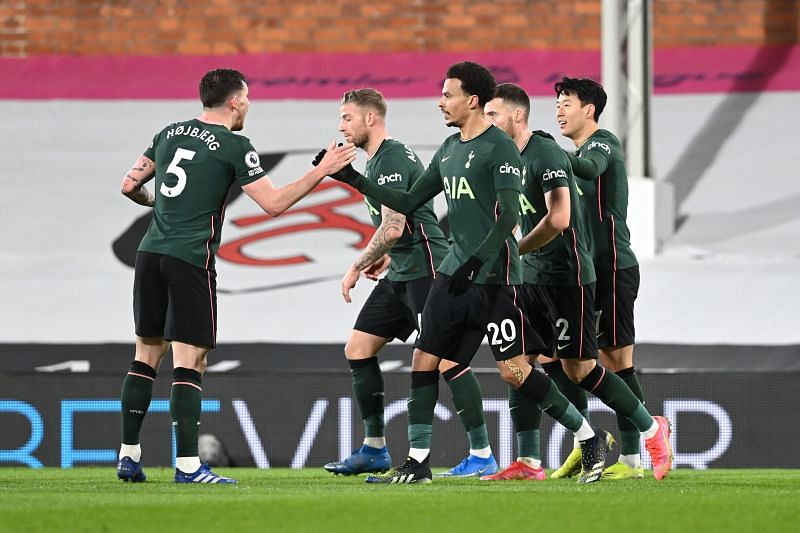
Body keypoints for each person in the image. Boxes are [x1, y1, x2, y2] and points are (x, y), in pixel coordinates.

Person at [320, 61, 610, 484]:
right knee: (425, 357)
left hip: (495, 281)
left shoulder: (500, 148)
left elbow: (509, 213)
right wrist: (351, 178)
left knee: (515, 371)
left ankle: (590, 439)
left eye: (448, 95)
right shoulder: (450, 148)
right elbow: (410, 199)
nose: (441, 103)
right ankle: (417, 462)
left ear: (471, 100)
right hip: (453, 275)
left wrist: (477, 261)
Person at [116, 68, 354, 484]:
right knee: (191, 361)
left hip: (150, 253)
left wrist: (160, 205)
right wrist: (323, 170)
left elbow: (129, 184)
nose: (249, 105)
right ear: (235, 102)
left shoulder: (169, 132)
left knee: (145, 356)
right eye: (247, 98)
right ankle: (188, 466)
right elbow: (275, 204)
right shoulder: (234, 145)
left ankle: (129, 456)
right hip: (189, 259)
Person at [321, 88, 498, 478]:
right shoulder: (378, 161)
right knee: (358, 348)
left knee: (447, 360)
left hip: (427, 268)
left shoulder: (391, 159)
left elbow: (395, 227)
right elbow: (394, 228)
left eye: (347, 117)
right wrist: (384, 254)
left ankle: (482, 453)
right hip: (400, 271)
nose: (341, 126)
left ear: (371, 118)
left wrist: (357, 264)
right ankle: (374, 448)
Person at [479, 83, 603, 481]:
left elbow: (559, 218)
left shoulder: (545, 152)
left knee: (580, 368)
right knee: (516, 363)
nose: (487, 123)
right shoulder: (501, 160)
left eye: (493, 114)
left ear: (516, 116)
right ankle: (530, 462)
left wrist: (519, 249)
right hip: (524, 279)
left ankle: (639, 433)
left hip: (566, 277)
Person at [553, 76, 672, 480]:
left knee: (616, 360)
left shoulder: (602, 143)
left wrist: (550, 153)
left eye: (566, 102)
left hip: (615, 266)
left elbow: (589, 167)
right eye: (557, 102)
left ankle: (634, 459)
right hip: (585, 271)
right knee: (569, 357)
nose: (558, 109)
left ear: (589, 109)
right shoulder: (572, 152)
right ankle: (587, 444)